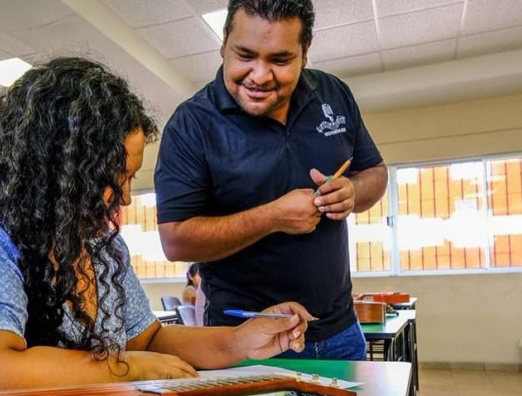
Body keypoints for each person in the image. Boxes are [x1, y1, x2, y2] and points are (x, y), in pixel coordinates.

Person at [0, 57, 312, 396]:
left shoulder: (98, 245)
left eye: (130, 177)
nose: (125, 198)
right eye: (112, 177)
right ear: (55, 171)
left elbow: (149, 340)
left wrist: (237, 341)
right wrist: (124, 367)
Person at [154, 0, 388, 360]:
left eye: (279, 60)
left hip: (341, 331)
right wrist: (272, 218)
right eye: (244, 55)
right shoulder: (191, 125)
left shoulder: (334, 95)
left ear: (304, 52)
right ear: (223, 42)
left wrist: (353, 192)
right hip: (243, 342)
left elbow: (375, 172)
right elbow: (175, 242)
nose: (260, 75)